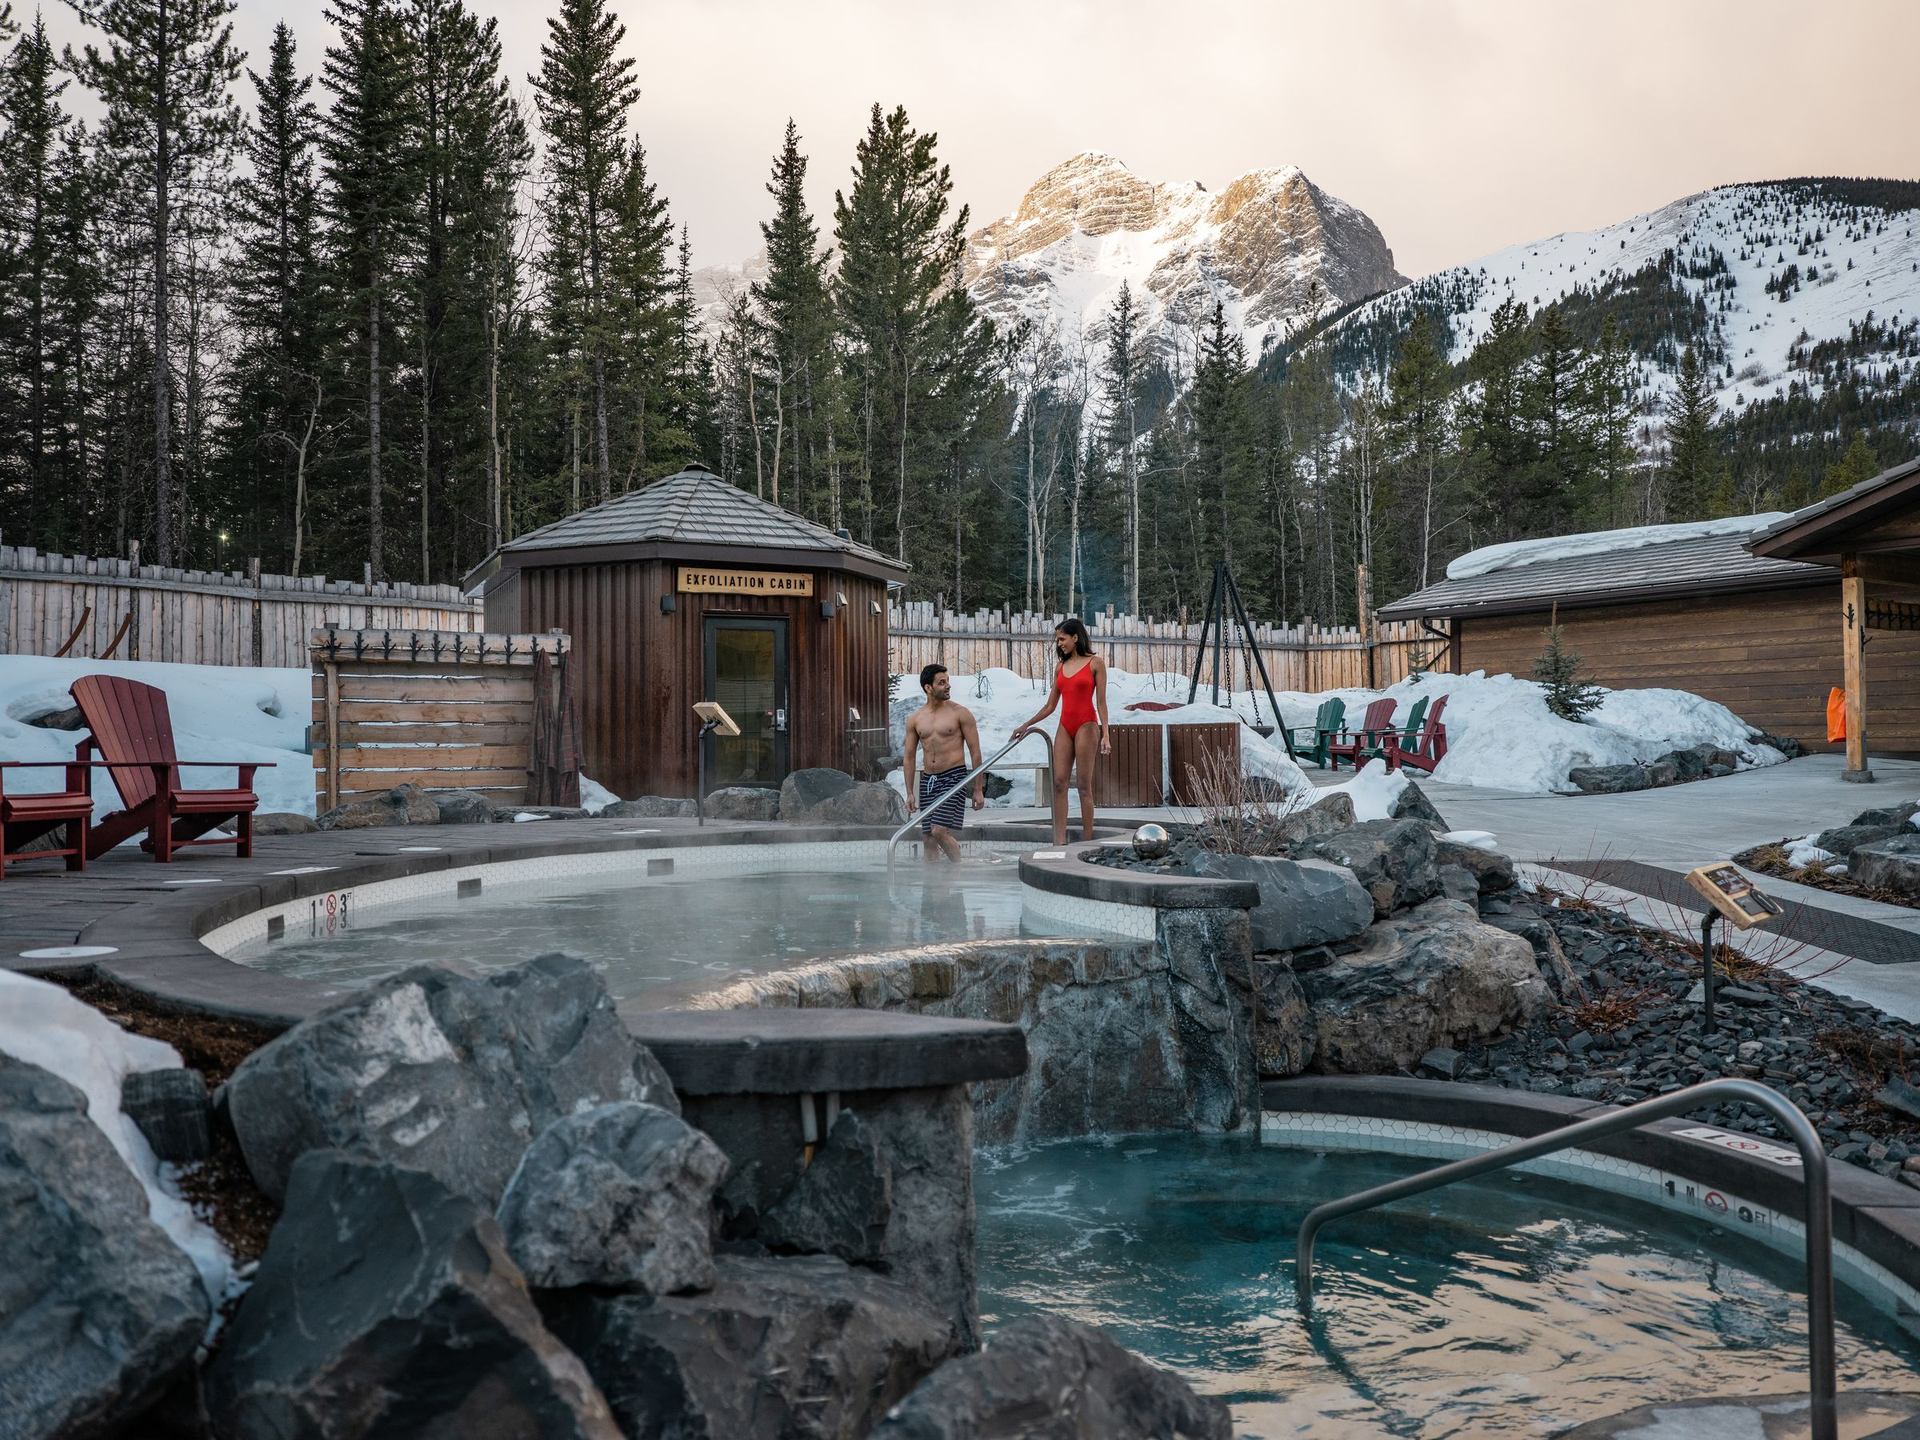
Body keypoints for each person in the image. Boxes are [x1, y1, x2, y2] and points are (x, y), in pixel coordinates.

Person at [1013, 618, 1111, 845]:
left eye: (1062, 639)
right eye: (1057, 640)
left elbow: (1102, 702)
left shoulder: (1095, 663)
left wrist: (1106, 734)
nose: (1059, 644)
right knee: (1059, 782)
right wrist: (1026, 724)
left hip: (1087, 725)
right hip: (1065, 727)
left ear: (1076, 637)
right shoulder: (1060, 667)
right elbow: (1050, 706)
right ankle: (1059, 841)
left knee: (1084, 787)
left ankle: (1087, 841)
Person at [903, 662, 984, 862]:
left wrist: (978, 788)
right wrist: (910, 793)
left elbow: (975, 753)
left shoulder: (960, 713)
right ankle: (934, 887)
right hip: (928, 780)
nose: (947, 686)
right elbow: (909, 757)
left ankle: (958, 873)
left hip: (953, 778)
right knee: (928, 838)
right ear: (928, 688)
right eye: (941, 682)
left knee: (939, 831)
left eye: (947, 681)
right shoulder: (915, 719)